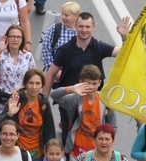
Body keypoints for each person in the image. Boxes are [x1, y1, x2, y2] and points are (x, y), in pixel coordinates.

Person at [44, 12, 129, 145]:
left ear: (94, 27)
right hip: (70, 102)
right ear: (75, 27)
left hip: (94, 102)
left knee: (95, 136)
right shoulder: (65, 50)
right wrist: (43, 101)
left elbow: (124, 53)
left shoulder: (99, 47)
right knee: (68, 138)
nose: (84, 30)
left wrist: (124, 37)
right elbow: (51, 74)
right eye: (81, 26)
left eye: (88, 27)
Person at [51, 65, 116, 161]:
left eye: (94, 84)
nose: (91, 87)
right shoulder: (75, 99)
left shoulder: (105, 101)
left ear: (99, 83)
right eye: (87, 84)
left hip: (98, 152)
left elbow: (113, 127)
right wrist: (71, 89)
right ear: (80, 82)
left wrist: (106, 145)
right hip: (77, 151)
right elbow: (54, 95)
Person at [0, 68, 56, 161]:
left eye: (38, 83)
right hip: (16, 152)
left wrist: (51, 151)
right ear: (25, 84)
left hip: (37, 154)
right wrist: (9, 114)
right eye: (30, 83)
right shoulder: (16, 99)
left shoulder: (43, 102)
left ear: (42, 85)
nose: (34, 87)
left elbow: (50, 130)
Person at [0, 25, 36, 133]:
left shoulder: (28, 56)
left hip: (20, 103)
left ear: (22, 39)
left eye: (18, 37)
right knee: (0, 137)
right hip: (1, 104)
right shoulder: (1, 55)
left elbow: (34, 76)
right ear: (7, 38)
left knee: (17, 136)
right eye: (12, 36)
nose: (15, 39)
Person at [40, 2, 80, 72]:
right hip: (55, 73)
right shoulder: (54, 28)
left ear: (76, 16)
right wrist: (54, 69)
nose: (63, 17)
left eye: (66, 15)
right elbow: (46, 50)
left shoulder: (80, 32)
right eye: (62, 14)